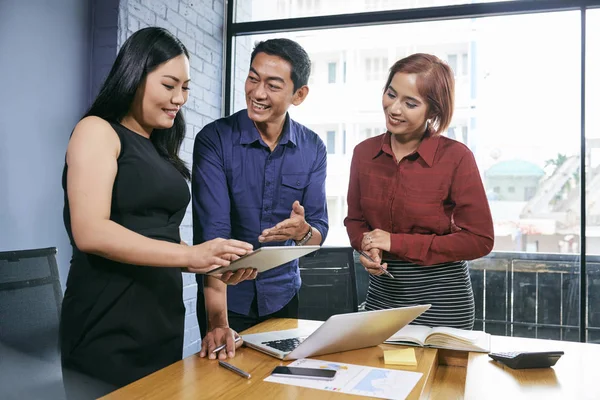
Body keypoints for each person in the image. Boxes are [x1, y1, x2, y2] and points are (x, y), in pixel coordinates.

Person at [60, 27, 256, 397]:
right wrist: (190, 254)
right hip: (107, 325)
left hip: (160, 324)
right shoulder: (96, 131)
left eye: (185, 88)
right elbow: (90, 231)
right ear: (134, 76)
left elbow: (156, 232)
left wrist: (211, 262)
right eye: (169, 85)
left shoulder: (157, 147)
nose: (179, 98)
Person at [192, 38, 328, 349]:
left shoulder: (312, 148)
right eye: (253, 78)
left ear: (299, 94)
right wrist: (218, 323)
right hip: (227, 302)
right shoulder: (215, 140)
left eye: (273, 84)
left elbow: (318, 231)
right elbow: (213, 236)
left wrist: (304, 231)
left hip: (284, 297)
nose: (257, 93)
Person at [344, 53, 494, 330]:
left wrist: (395, 242)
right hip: (382, 300)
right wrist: (367, 248)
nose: (394, 108)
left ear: (433, 111)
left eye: (410, 103)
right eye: (391, 94)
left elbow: (480, 239)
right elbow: (355, 221)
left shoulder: (456, 157)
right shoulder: (363, 153)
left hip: (443, 305)